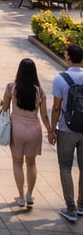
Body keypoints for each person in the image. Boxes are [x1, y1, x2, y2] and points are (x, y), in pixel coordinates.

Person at [0, 58, 52, 208]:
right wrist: (50, 130)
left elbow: (4, 107)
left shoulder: (11, 87)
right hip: (34, 130)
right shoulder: (40, 92)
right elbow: (44, 115)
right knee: (31, 164)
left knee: (17, 163)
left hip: (16, 129)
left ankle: (21, 197)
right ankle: (29, 194)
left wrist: (2, 103)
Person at [50, 43, 83, 222]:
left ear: (68, 57)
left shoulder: (61, 79)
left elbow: (56, 107)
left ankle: (70, 208)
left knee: (65, 167)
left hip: (66, 129)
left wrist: (52, 129)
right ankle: (82, 205)